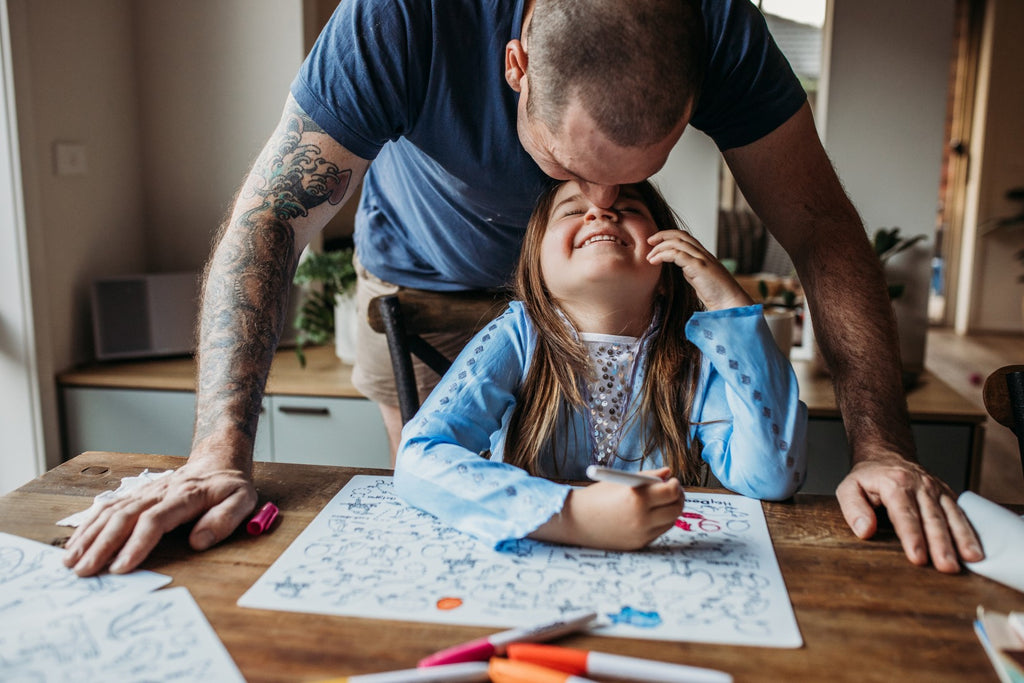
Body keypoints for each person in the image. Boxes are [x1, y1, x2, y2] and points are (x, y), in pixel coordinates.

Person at [63, 0, 981, 578]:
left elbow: (820, 224)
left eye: (636, 184)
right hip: (416, 274)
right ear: (516, 66)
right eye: (567, 171)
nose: (598, 205)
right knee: (450, 543)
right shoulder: (399, 19)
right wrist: (218, 454)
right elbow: (272, 216)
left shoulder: (722, 29)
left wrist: (882, 446)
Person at [394, 179, 808, 549]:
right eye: (573, 210)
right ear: (538, 270)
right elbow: (418, 456)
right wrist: (572, 514)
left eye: (629, 209)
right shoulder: (518, 337)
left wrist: (731, 306)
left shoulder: (697, 358)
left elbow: (772, 476)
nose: (601, 211)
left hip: (661, 568)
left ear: (668, 271)